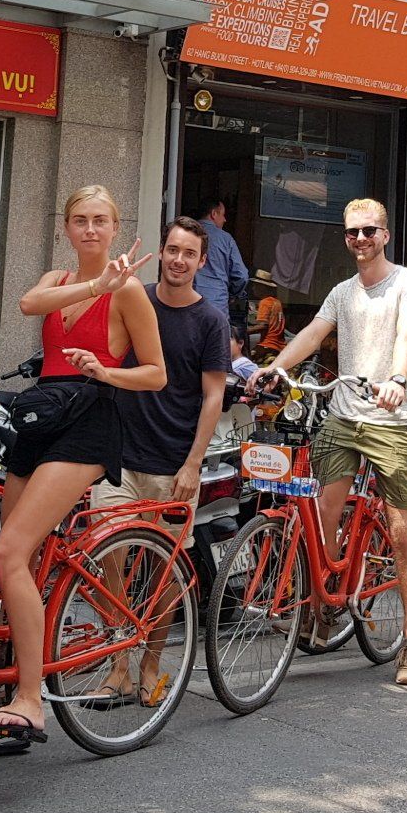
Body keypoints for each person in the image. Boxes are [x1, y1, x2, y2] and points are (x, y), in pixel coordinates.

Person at [0, 186, 165, 762]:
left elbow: (156, 374)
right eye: (79, 220)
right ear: (66, 227)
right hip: (41, 414)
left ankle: (30, 697)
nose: (90, 229)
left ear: (115, 226)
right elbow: (26, 306)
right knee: (17, 570)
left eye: (100, 220)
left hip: (91, 419)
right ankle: (1, 715)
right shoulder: (55, 280)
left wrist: (106, 371)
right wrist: (96, 285)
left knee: (8, 553)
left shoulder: (131, 297)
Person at [250, 198, 407, 686]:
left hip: (392, 420)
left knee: (399, 525)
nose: (361, 239)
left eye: (369, 231)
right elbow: (313, 333)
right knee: (320, 512)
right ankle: (323, 604)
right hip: (343, 414)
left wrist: (398, 377)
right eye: (352, 232)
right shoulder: (341, 292)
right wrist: (276, 368)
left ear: (385, 235)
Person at [93, 216, 230, 705]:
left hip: (173, 463)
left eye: (188, 253)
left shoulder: (210, 320)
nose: (178, 259)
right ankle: (118, 665)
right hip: (119, 457)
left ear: (201, 261)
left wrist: (194, 464)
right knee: (110, 557)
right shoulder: (135, 298)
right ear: (162, 250)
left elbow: (213, 397)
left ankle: (151, 664)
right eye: (172, 249)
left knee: (163, 573)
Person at [194, 196, 249, 334]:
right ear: (214, 214)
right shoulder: (225, 239)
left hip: (185, 302)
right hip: (217, 303)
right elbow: (241, 276)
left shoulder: (187, 234)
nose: (225, 220)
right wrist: (231, 295)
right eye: (223, 215)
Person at [249, 268, 287, 354]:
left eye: (255, 286)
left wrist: (244, 331)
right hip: (279, 346)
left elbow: (264, 326)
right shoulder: (277, 302)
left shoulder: (265, 302)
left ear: (263, 288)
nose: (253, 288)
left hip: (268, 344)